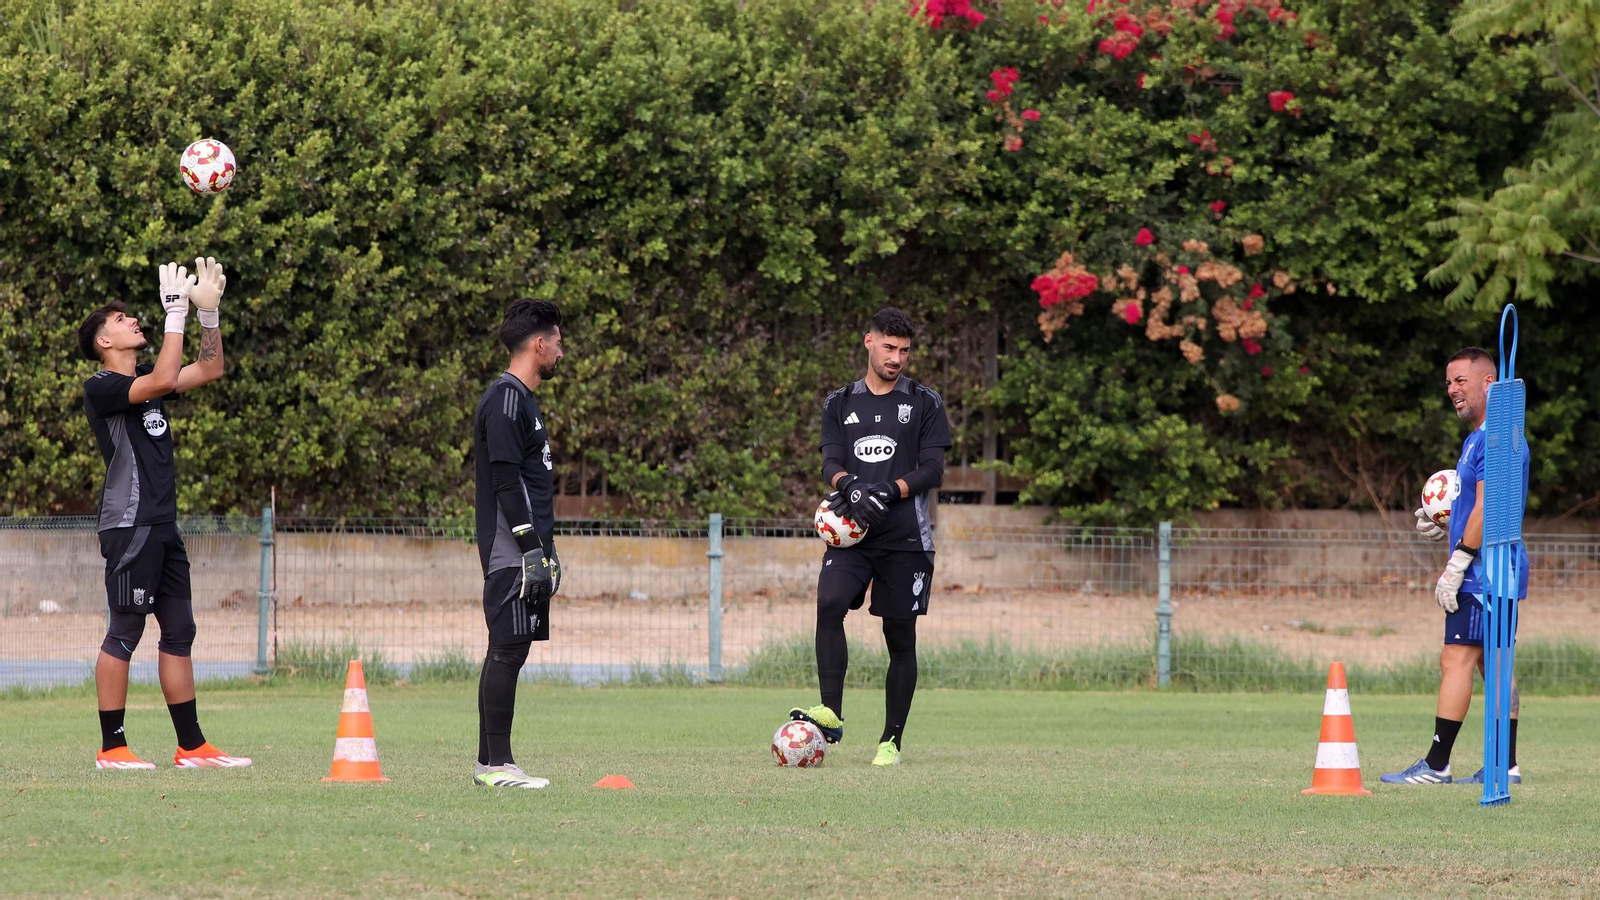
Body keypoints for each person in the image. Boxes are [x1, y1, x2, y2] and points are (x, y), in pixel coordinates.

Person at [78, 259, 251, 769]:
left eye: (134, 315)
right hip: (128, 525)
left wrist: (209, 316)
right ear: (104, 343)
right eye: (120, 320)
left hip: (162, 526)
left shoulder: (153, 384)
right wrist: (174, 312)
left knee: (179, 631)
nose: (133, 321)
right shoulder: (103, 386)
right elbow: (165, 376)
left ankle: (192, 747)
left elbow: (210, 369)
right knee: (125, 631)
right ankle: (112, 748)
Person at [789, 307, 951, 766]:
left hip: (905, 540)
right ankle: (831, 713)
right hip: (852, 535)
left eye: (904, 351)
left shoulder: (924, 401)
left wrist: (889, 488)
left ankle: (891, 741)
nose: (896, 358)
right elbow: (829, 463)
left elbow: (934, 469)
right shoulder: (839, 402)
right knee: (829, 602)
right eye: (888, 347)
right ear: (869, 342)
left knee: (899, 638)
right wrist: (850, 486)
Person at [1382, 347, 1530, 786]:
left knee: (1456, 661)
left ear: (1489, 383)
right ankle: (1505, 764)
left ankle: (1436, 764)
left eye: (1460, 381)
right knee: (1494, 665)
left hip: (1485, 574)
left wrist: (1459, 561)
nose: (1452, 390)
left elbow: (1489, 508)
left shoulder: (1497, 436)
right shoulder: (1482, 437)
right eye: (1448, 383)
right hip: (1497, 572)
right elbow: (1472, 505)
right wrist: (1438, 517)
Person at [471, 299, 565, 789]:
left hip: (527, 550)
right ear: (538, 343)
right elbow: (506, 482)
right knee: (506, 651)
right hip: (511, 551)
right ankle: (497, 765)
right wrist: (529, 546)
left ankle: (491, 763)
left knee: (511, 650)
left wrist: (546, 550)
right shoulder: (507, 400)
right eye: (558, 342)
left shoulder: (523, 401)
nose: (561, 353)